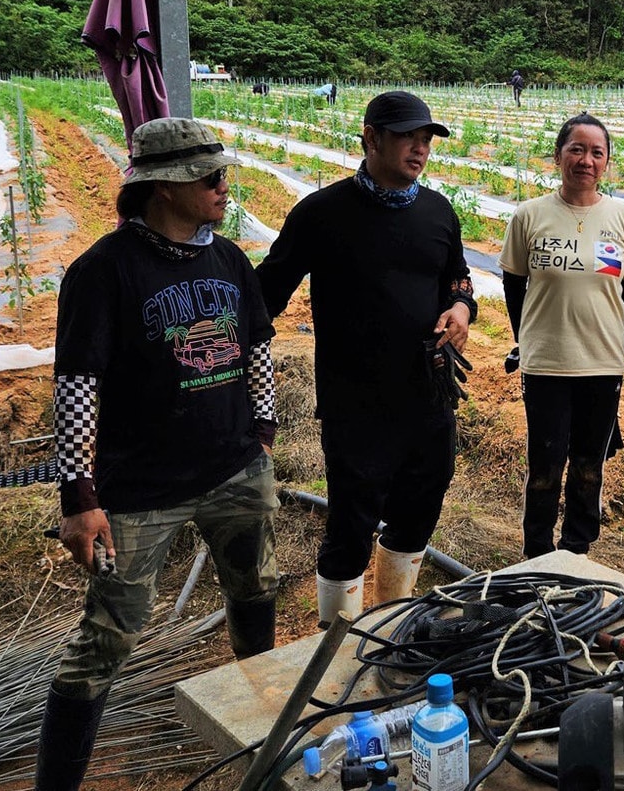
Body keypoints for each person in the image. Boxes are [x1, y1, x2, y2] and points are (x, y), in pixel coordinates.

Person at [38, 118, 279, 790]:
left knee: (253, 588)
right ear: (165, 186)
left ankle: (255, 720)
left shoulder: (228, 259)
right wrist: (80, 498)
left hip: (236, 470)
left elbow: (256, 343)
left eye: (221, 174)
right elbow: (78, 385)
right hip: (137, 493)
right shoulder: (102, 272)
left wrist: (263, 430)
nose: (223, 187)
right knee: (107, 634)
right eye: (210, 177)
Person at [256, 90, 476, 626]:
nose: (420, 148)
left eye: (426, 139)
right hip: (356, 404)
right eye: (407, 137)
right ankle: (336, 641)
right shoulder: (322, 214)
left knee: (421, 509)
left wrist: (462, 308)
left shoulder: (437, 211)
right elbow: (265, 294)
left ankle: (391, 622)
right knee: (351, 523)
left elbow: (459, 277)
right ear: (371, 137)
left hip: (428, 396)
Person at [498, 113, 624, 558]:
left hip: (602, 364)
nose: (586, 160)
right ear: (559, 155)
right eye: (576, 149)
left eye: (596, 152)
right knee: (545, 464)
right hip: (546, 361)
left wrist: (607, 329)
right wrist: (527, 337)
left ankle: (577, 549)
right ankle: (538, 552)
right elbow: (513, 286)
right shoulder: (530, 216)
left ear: (607, 163)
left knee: (589, 466)